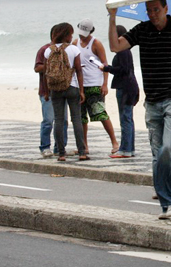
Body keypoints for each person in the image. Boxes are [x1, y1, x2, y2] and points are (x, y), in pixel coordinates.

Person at [108, 0, 171, 221]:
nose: (152, 14)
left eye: (156, 10)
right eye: (148, 10)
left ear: (166, 9)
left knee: (169, 147)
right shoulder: (142, 30)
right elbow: (115, 46)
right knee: (158, 155)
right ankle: (166, 204)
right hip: (152, 102)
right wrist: (112, 17)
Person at [73, 19, 119, 155]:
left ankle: (114, 142)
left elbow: (104, 63)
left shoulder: (96, 44)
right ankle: (84, 146)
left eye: (84, 33)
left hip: (94, 83)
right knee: (82, 118)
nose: (82, 36)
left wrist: (105, 84)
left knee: (101, 113)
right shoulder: (75, 43)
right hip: (80, 84)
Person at [44, 23, 87, 161]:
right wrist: (81, 90)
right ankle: (82, 152)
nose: (72, 36)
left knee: (58, 120)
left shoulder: (48, 50)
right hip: (71, 87)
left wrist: (46, 91)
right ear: (66, 35)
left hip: (55, 89)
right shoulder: (73, 49)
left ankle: (61, 154)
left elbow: (46, 72)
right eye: (71, 34)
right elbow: (79, 70)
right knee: (76, 120)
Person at [101, 25, 139, 158]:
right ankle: (129, 148)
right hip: (129, 86)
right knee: (128, 118)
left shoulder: (123, 51)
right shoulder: (126, 51)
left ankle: (125, 150)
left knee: (125, 119)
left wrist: (107, 68)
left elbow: (122, 70)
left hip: (125, 88)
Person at [35, 25, 68, 158]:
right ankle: (45, 146)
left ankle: (60, 147)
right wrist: (52, 65)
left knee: (63, 120)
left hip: (62, 89)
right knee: (48, 120)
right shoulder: (44, 50)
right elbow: (37, 68)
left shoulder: (65, 50)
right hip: (46, 91)